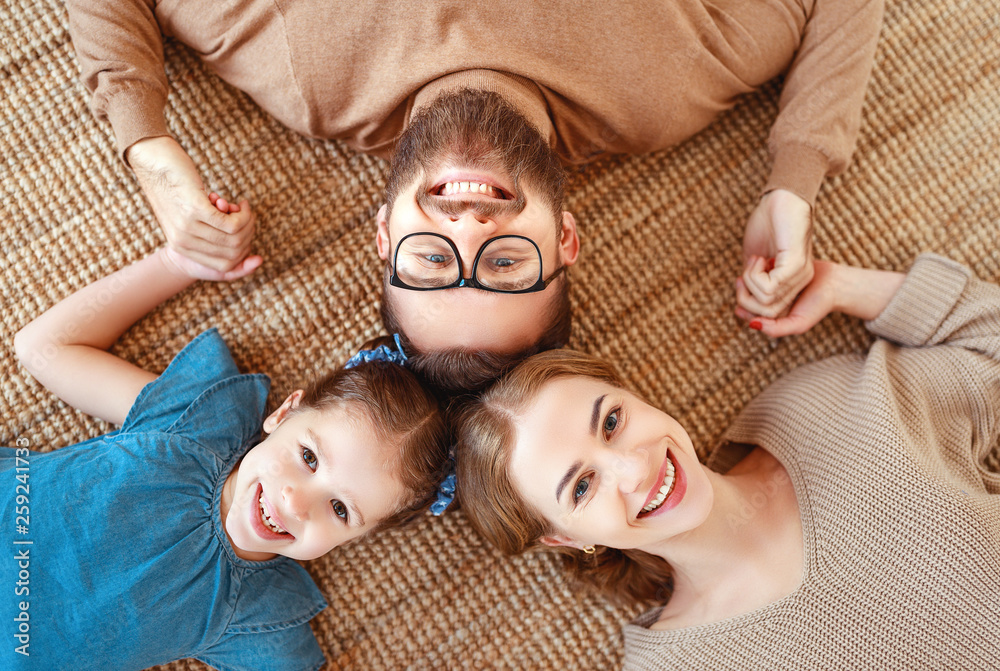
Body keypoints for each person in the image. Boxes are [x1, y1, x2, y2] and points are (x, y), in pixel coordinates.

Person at [66, 0, 885, 389]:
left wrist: (152, 150)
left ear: (383, 234)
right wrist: (794, 182)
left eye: (430, 261)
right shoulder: (665, 88)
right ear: (565, 237)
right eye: (501, 266)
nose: (468, 227)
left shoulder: (302, 74)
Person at [454, 253, 1000, 668]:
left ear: (636, 396)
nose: (634, 469)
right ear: (566, 539)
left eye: (613, 422)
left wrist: (836, 283)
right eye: (581, 488)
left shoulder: (821, 409)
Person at [2, 202, 449, 670]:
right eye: (309, 458)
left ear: (360, 537)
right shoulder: (194, 424)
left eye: (340, 510)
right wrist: (177, 264)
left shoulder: (253, 613)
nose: (297, 504)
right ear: (284, 412)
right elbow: (43, 348)